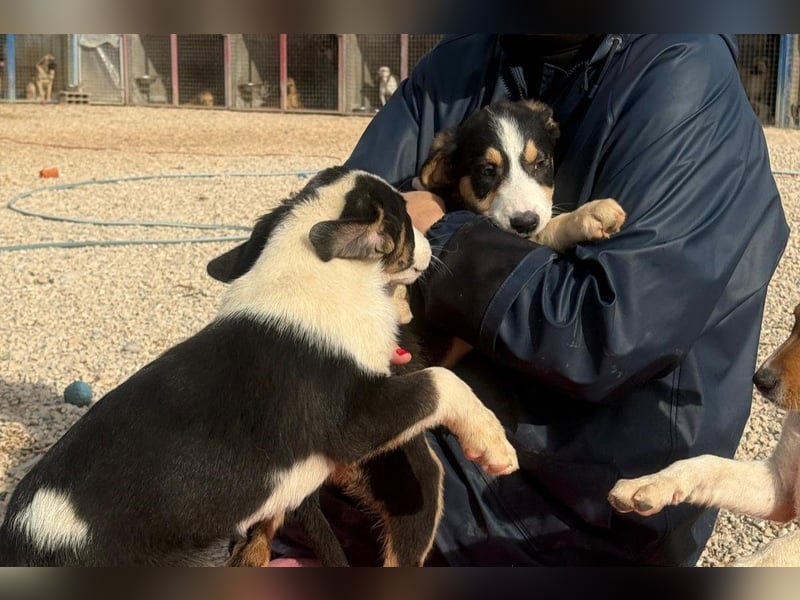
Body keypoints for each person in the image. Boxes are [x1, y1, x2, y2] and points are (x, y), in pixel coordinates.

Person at [274, 34, 789, 566]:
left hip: (581, 497)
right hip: (428, 414)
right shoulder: (460, 62)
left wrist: (438, 231)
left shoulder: (683, 70)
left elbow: (609, 335)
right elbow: (332, 218)